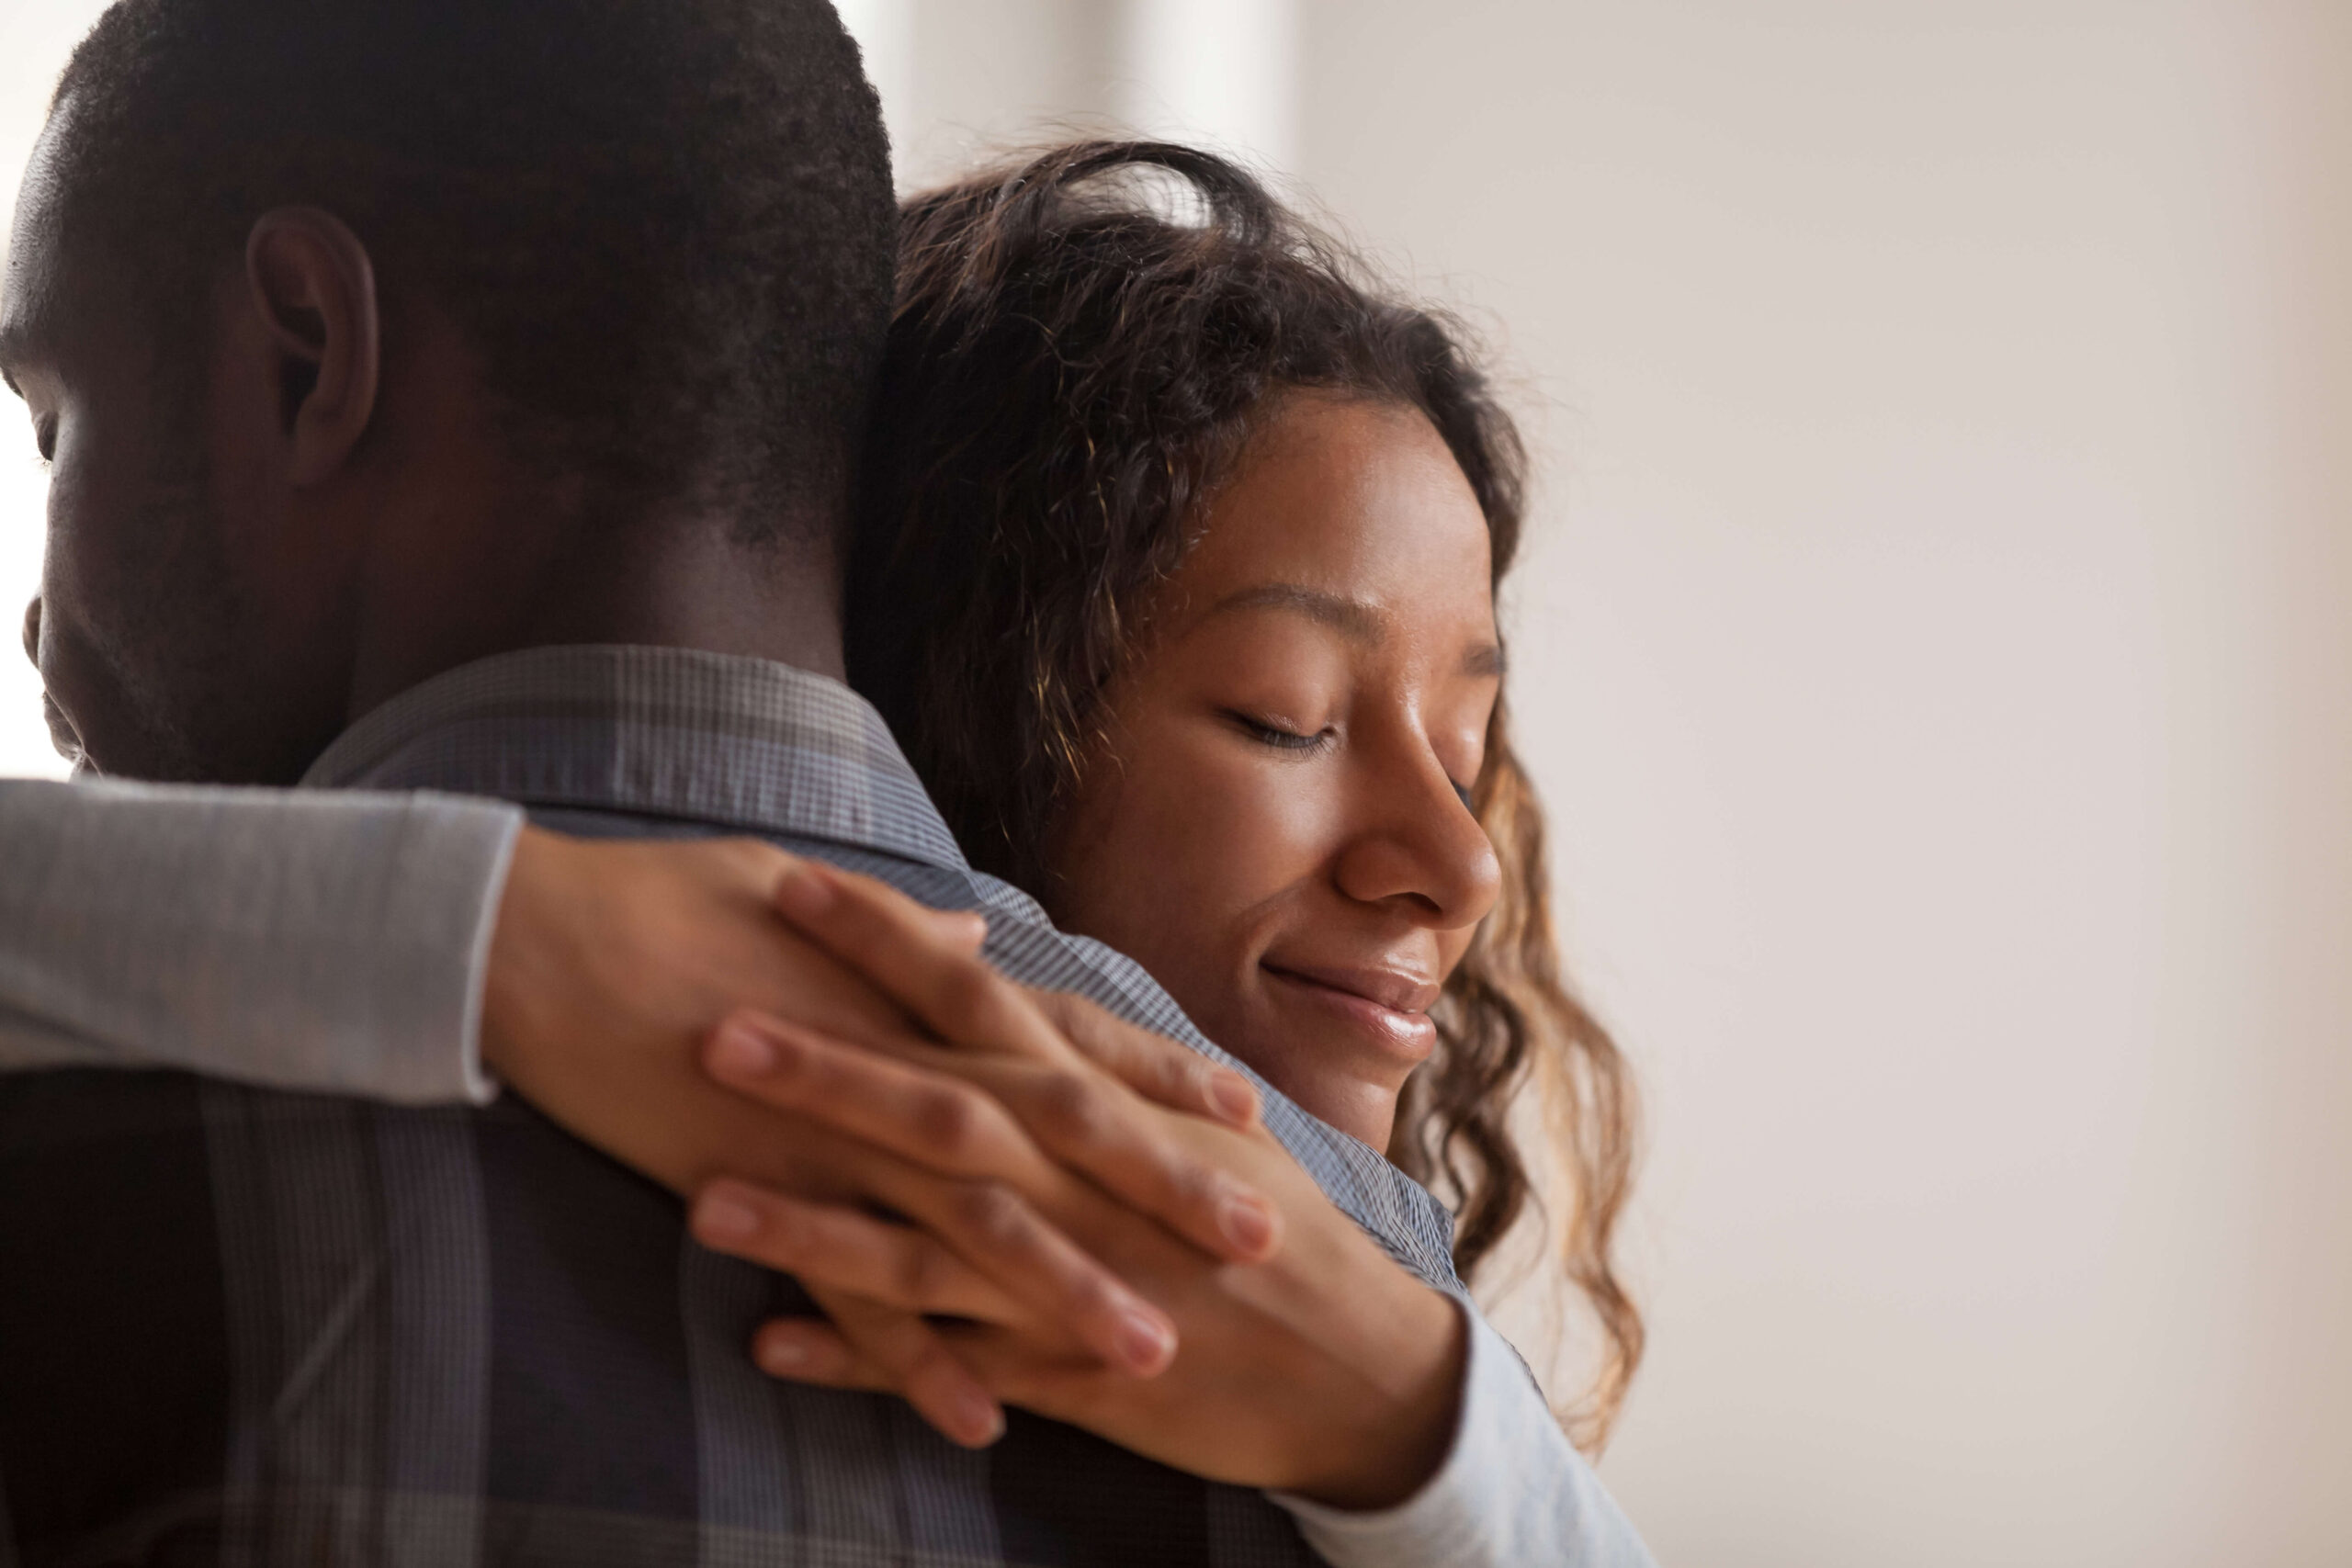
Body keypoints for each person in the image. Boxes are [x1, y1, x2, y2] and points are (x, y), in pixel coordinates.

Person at [0, 4, 1654, 1566]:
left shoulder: (84, 1145)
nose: (37, 616)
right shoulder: (1333, 1315)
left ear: (308, 357)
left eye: (58, 423)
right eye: (1290, 715)